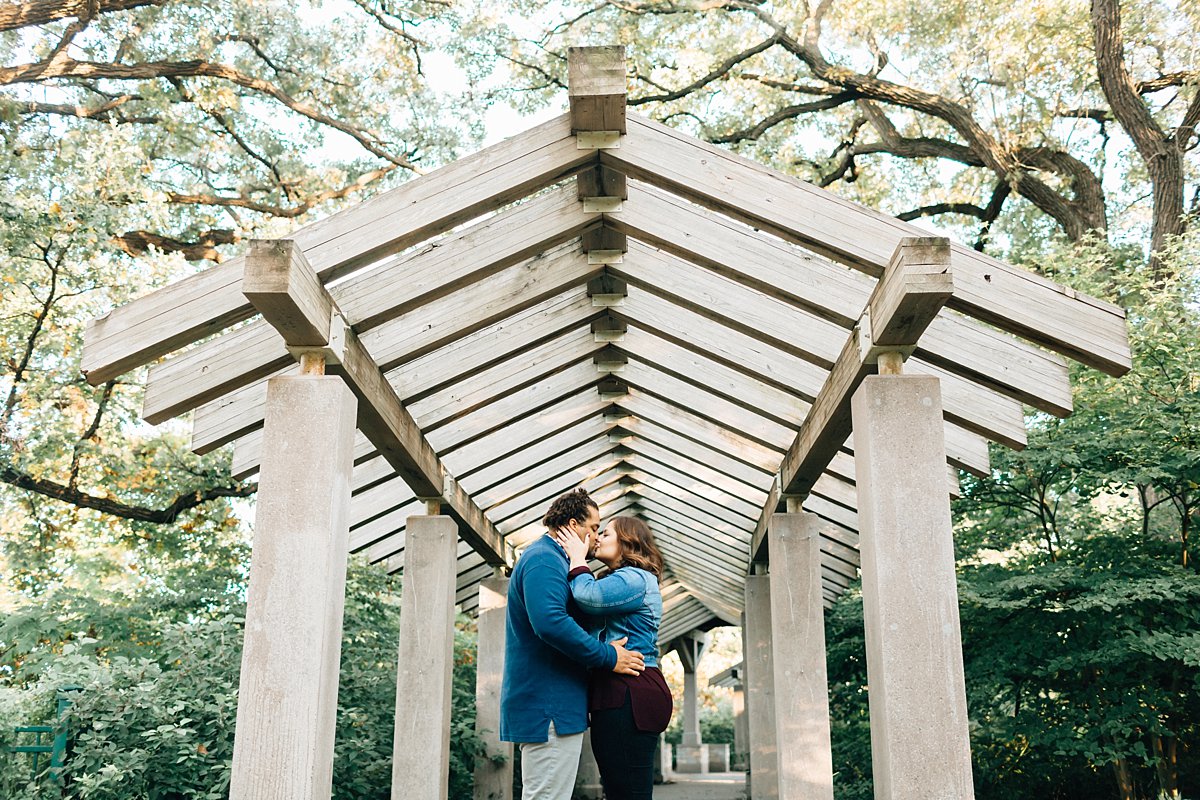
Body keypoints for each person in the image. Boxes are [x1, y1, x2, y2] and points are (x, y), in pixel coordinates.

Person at [500, 488, 646, 800]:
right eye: (593, 528)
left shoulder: (554, 560)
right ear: (571, 525)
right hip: (548, 704)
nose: (597, 537)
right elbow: (550, 623)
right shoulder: (544, 560)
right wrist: (609, 656)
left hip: (556, 702)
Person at [554, 516, 673, 800]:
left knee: (627, 791)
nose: (597, 538)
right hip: (623, 690)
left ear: (627, 541)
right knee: (621, 789)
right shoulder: (624, 580)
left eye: (605, 534)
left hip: (630, 691)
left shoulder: (633, 577)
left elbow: (587, 596)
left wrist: (577, 559)